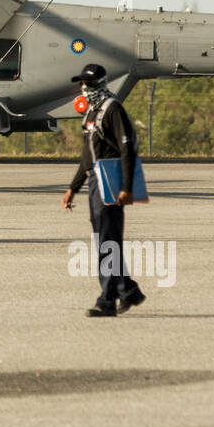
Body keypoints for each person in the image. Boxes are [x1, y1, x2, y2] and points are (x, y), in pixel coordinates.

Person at [60, 62, 147, 317]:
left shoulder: (113, 110)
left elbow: (127, 150)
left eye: (89, 83)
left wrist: (127, 187)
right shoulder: (91, 112)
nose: (84, 88)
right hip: (95, 180)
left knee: (107, 242)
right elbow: (87, 156)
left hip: (112, 180)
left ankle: (107, 300)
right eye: (82, 83)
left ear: (102, 83)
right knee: (104, 239)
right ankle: (128, 290)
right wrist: (72, 189)